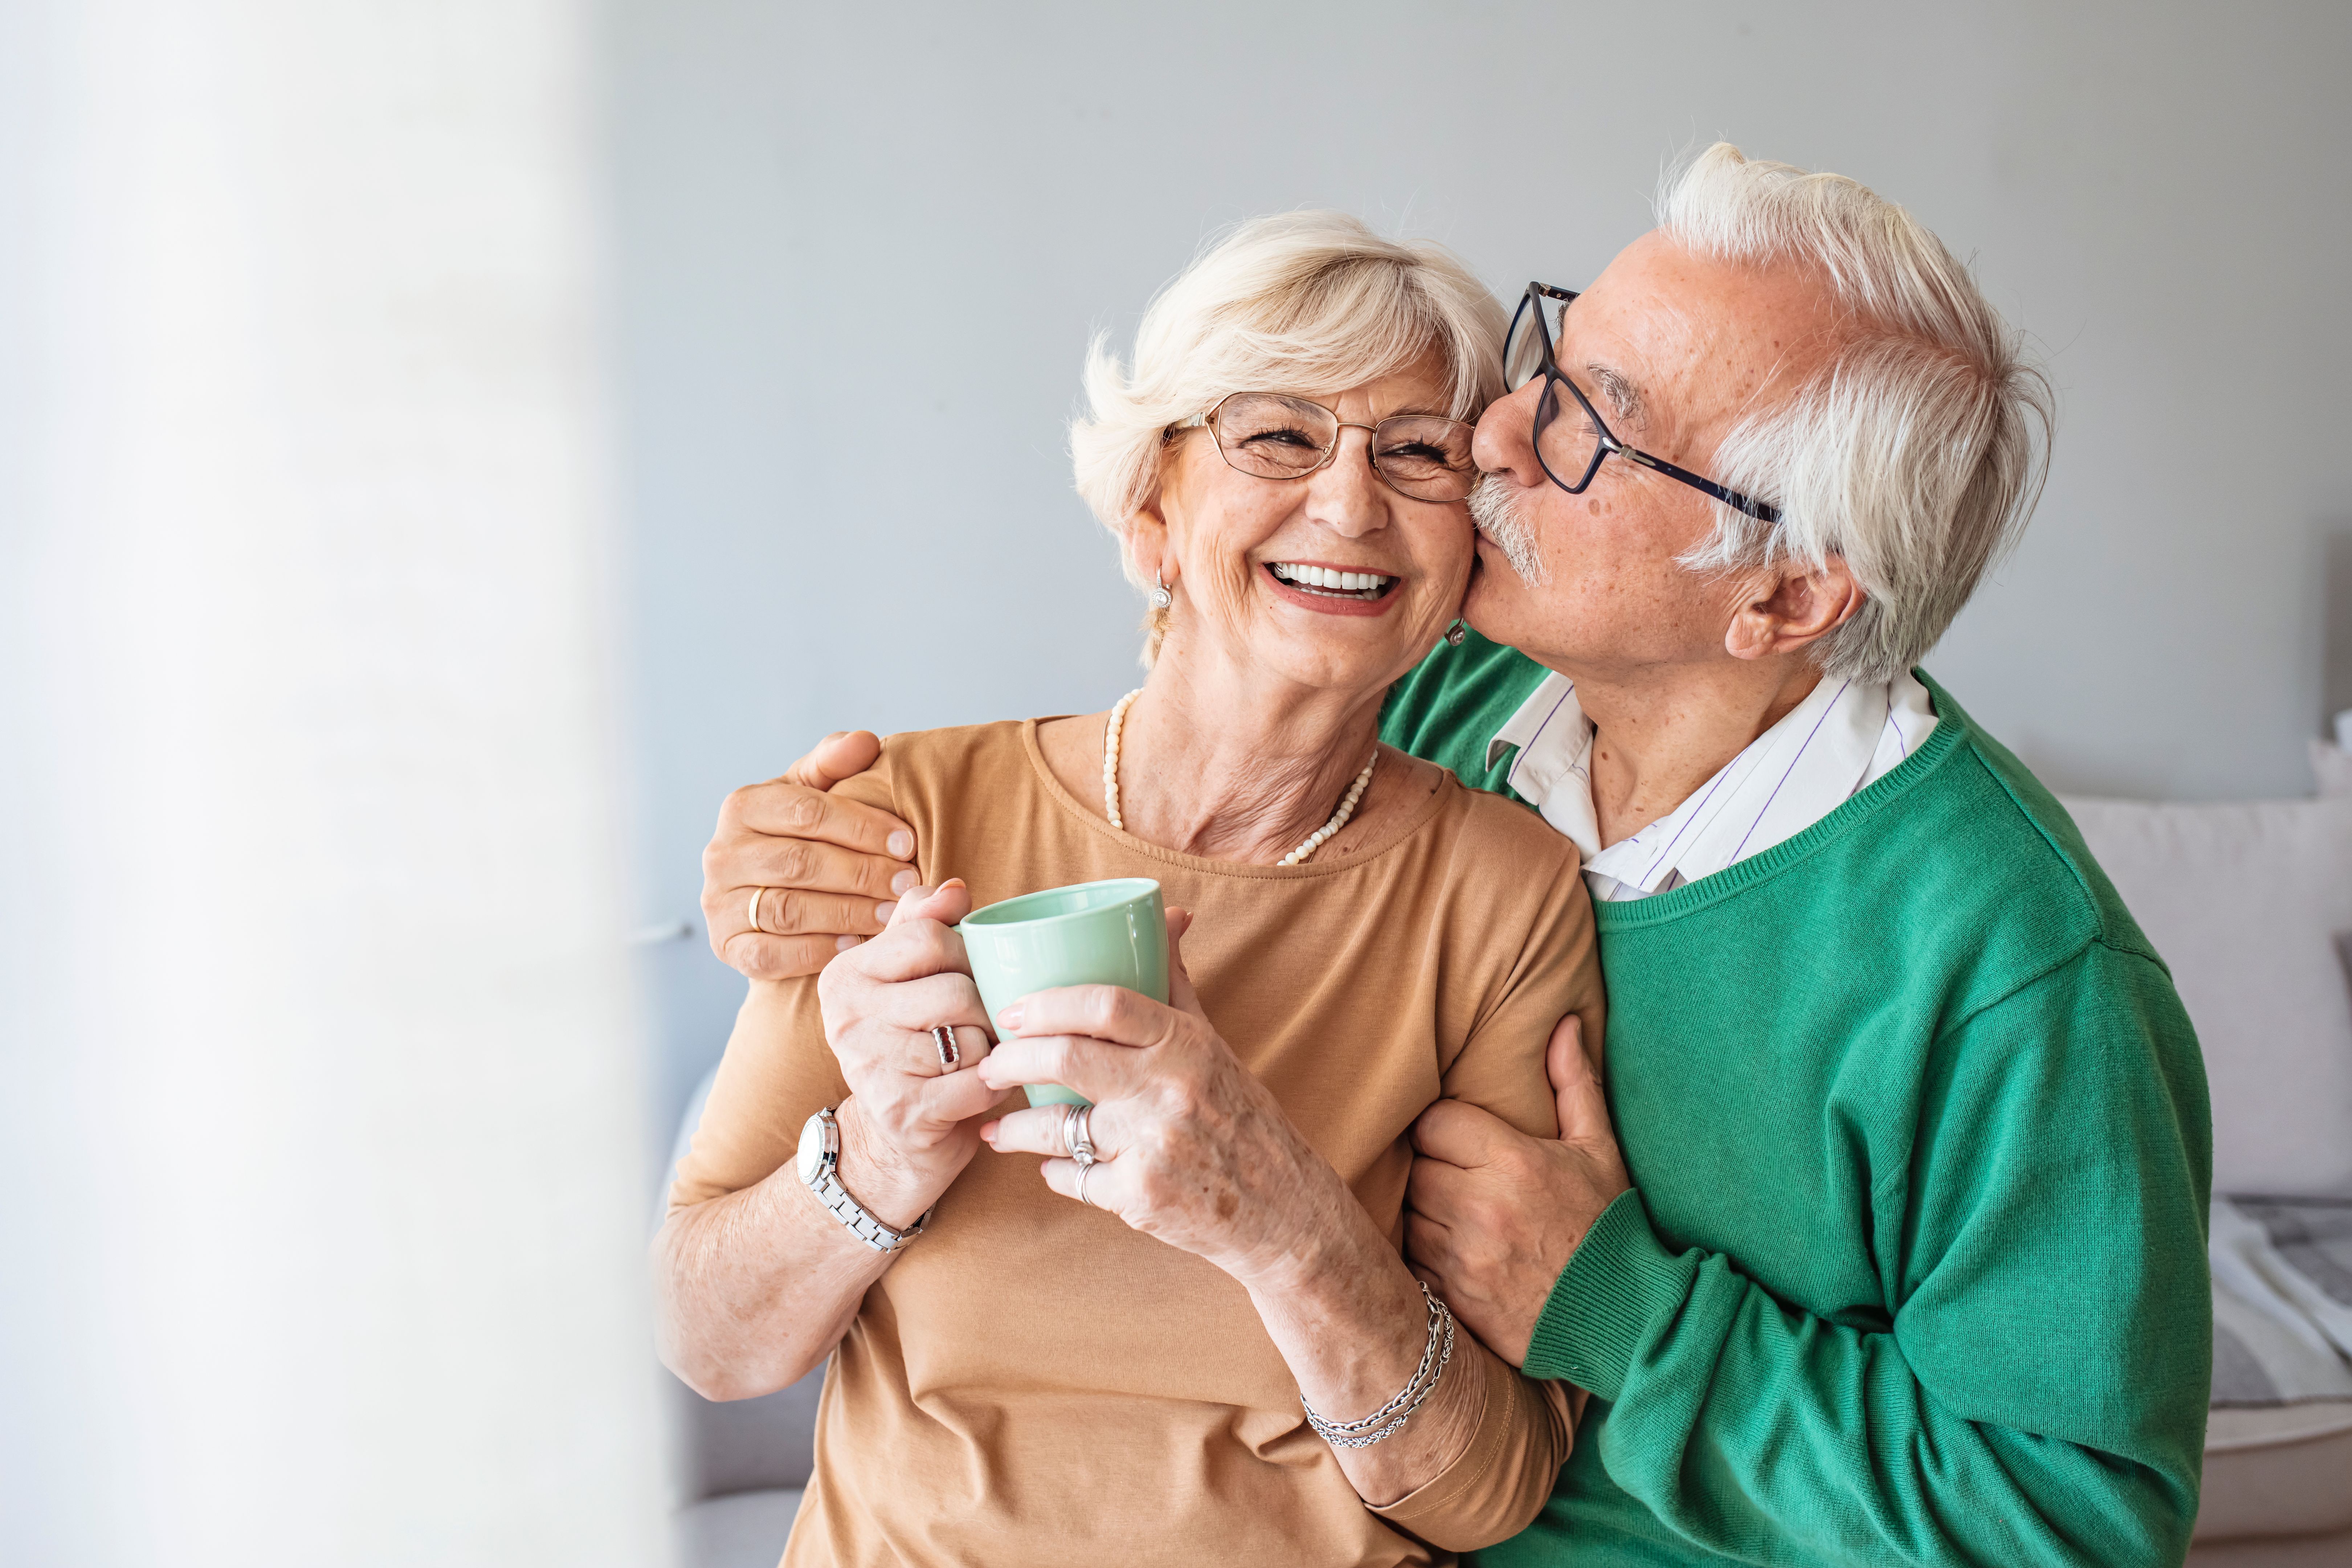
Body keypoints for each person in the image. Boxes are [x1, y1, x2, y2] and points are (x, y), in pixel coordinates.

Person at [700, 146, 2214, 1566]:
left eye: (1590, 425)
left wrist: (1620, 1313)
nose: (1494, 436)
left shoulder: (2015, 971)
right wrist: (796, 865)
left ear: (1789, 599)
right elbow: (1209, 684)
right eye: (1548, 357)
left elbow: (2076, 1525)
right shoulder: (1454, 689)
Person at [656, 212, 1607, 1568]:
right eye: (1278, 436)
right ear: (1153, 510)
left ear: (1466, 552)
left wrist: (1280, 1215)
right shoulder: (901, 821)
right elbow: (707, 1343)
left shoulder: (1501, 893)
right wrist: (882, 1150)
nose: (1351, 505)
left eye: (1419, 454)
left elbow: (1490, 1490)